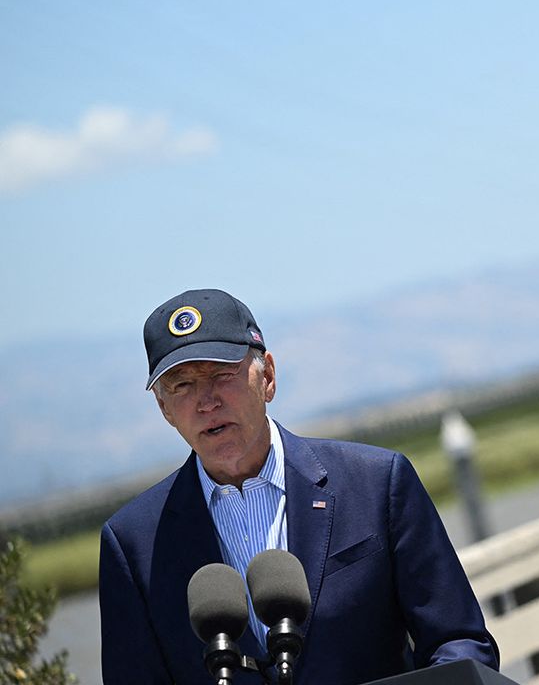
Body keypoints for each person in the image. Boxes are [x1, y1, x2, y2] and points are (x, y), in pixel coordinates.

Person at [98, 289, 499, 684]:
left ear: (267, 376)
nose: (206, 401)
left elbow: (459, 640)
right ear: (164, 409)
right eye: (181, 385)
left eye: (221, 374)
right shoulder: (133, 546)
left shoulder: (377, 483)